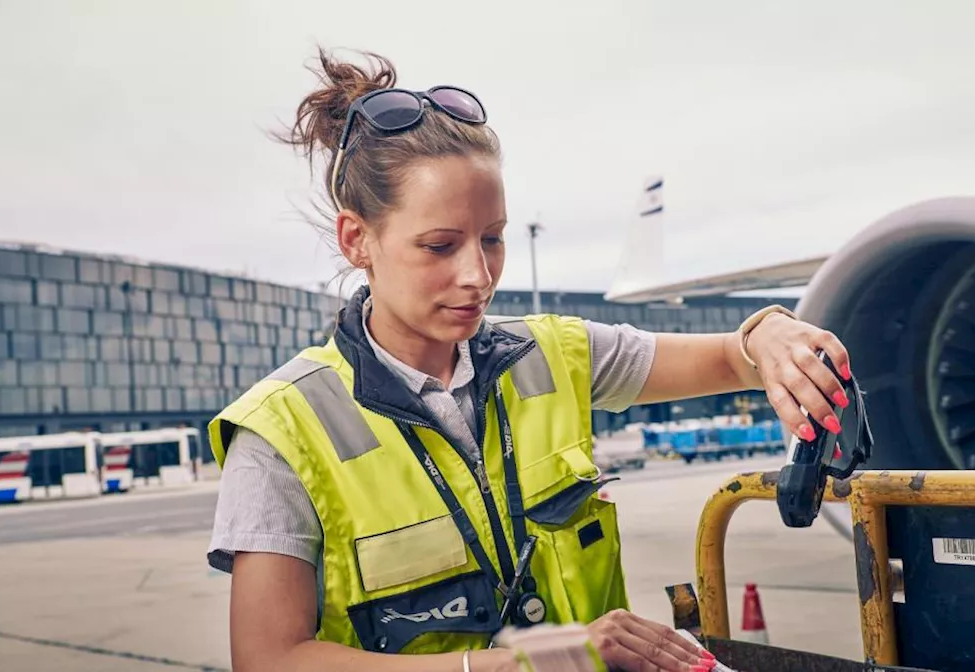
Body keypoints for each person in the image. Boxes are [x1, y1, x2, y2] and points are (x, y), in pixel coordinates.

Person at [205, 47, 853, 672]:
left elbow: (729, 359)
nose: (477, 276)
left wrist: (769, 333)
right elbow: (270, 659)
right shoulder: (281, 434)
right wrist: (496, 667)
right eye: (439, 246)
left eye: (493, 239)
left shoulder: (552, 355)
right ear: (357, 239)